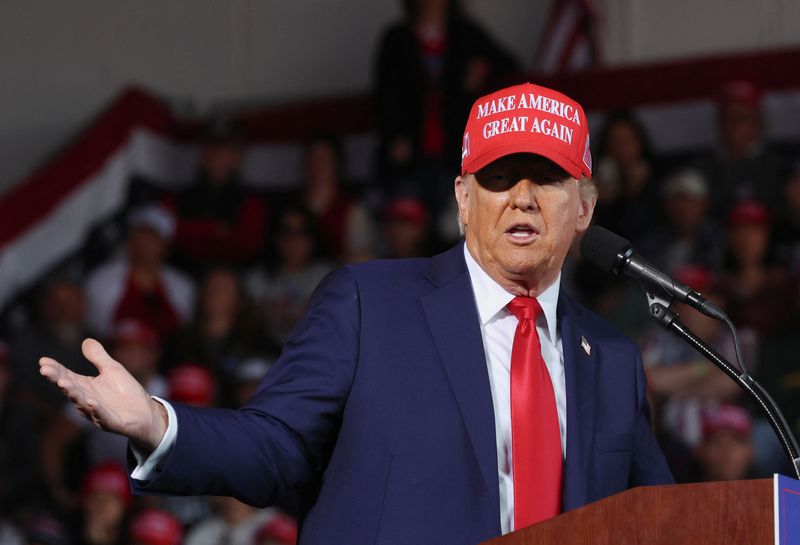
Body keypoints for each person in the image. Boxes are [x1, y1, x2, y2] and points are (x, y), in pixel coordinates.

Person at [40, 83, 673, 545]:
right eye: (500, 176)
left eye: (548, 178)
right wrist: (155, 422)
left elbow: (665, 522)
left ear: (585, 209)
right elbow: (276, 446)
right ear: (461, 198)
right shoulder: (369, 304)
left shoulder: (612, 358)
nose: (523, 198)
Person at [84, 205, 195, 341]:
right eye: (139, 237)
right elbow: (94, 331)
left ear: (165, 246)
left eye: (151, 239)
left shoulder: (183, 287)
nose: (144, 244)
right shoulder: (101, 281)